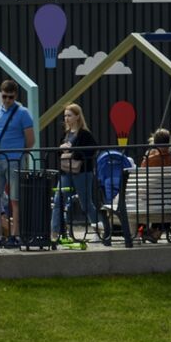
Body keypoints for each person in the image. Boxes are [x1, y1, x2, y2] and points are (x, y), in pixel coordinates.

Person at [0, 80, 35, 246]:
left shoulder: (23, 113)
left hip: (15, 160)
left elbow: (30, 140)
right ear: (1, 95)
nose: (7, 100)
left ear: (15, 96)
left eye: (10, 97)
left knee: (15, 199)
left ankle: (15, 235)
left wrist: (19, 154)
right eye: (4, 96)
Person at [52, 103, 99, 241]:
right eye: (65, 116)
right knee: (58, 200)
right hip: (66, 171)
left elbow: (92, 150)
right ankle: (54, 233)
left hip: (82, 172)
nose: (66, 118)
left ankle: (99, 230)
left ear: (77, 117)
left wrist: (73, 152)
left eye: (69, 115)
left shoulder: (84, 134)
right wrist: (61, 149)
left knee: (86, 203)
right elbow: (59, 153)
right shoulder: (65, 134)